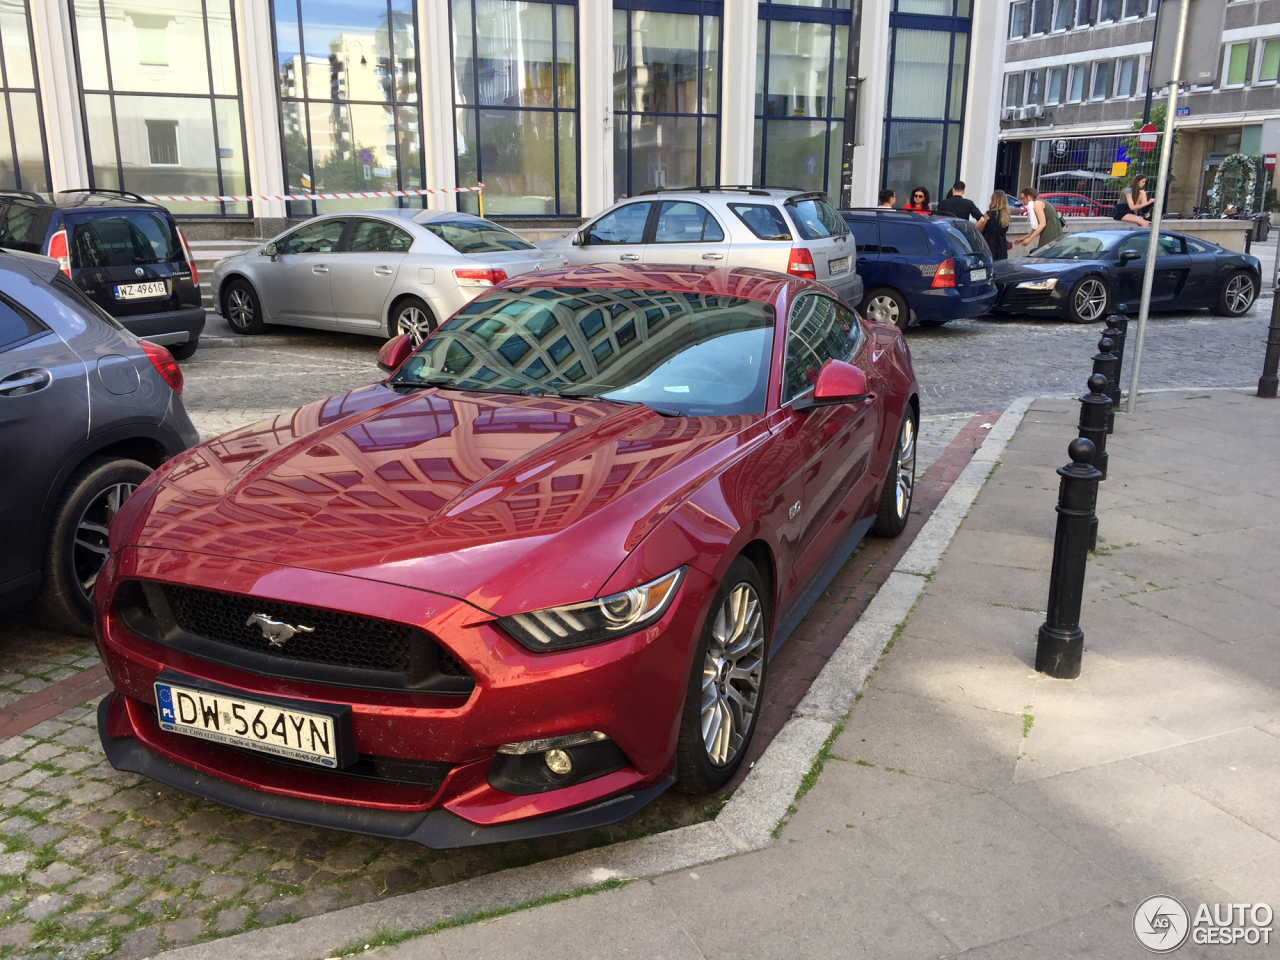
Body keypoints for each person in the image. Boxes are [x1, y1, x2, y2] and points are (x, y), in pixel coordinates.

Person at [976, 190, 1011, 261]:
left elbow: (979, 228)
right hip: (1001, 245)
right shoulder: (1006, 215)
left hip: (989, 243)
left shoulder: (989, 214)